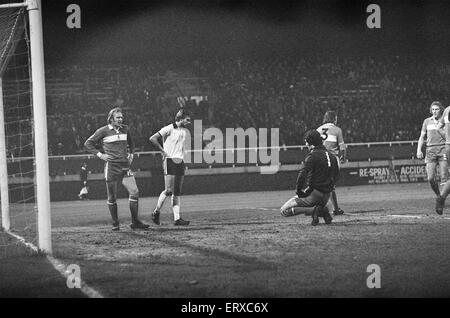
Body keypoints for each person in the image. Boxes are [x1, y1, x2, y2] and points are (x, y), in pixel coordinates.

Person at [84, 107, 149, 231]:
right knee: (112, 197)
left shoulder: (125, 129)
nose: (121, 119)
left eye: (121, 117)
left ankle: (135, 222)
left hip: (125, 166)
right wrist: (100, 155)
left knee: (134, 192)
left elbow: (132, 144)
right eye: (118, 117)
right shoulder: (103, 131)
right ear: (111, 119)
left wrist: (131, 155)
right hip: (112, 167)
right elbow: (88, 144)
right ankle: (115, 223)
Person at [279, 129, 340, 226]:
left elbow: (302, 174)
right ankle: (322, 211)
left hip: (314, 194)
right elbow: (336, 176)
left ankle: (314, 210)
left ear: (311, 142)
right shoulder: (332, 156)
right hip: (326, 196)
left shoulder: (312, 156)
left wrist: (299, 191)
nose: (306, 144)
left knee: (284, 210)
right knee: (317, 202)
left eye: (306, 142)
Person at [149, 108, 191, 226]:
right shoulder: (168, 128)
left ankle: (177, 219)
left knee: (177, 191)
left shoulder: (184, 131)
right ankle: (156, 212)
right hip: (170, 160)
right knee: (168, 190)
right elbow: (152, 138)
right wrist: (162, 151)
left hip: (180, 161)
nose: (189, 122)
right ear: (181, 119)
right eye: (187, 120)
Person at [316, 110, 346, 215]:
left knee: (322, 184)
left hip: (319, 160)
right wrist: (343, 157)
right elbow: (342, 147)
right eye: (336, 118)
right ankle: (335, 209)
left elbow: (311, 145)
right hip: (332, 160)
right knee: (330, 185)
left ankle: (329, 208)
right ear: (334, 119)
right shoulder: (337, 130)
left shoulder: (318, 129)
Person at [417, 101, 447, 199]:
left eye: (436, 109)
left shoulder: (445, 121)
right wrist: (419, 150)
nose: (434, 111)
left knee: (444, 177)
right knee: (430, 178)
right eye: (433, 109)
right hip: (430, 151)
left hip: (443, 149)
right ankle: (439, 195)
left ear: (441, 110)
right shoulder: (426, 121)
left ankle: (442, 199)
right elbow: (422, 137)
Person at [435, 102, 450, 214]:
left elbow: (439, 127)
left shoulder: (447, 109)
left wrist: (447, 138)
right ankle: (441, 198)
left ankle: (441, 198)